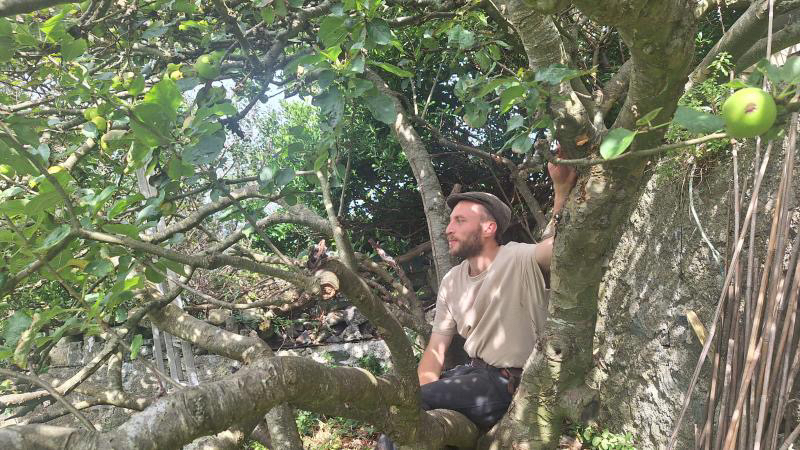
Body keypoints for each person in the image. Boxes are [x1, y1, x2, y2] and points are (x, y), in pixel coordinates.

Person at [377, 160, 577, 449]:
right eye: (449, 221)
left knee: (407, 408)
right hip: (468, 377)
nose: (448, 229)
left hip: (507, 384)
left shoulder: (520, 257)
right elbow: (435, 351)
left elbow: (563, 247)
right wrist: (420, 395)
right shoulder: (451, 280)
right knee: (405, 410)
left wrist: (560, 191)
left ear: (488, 227)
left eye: (460, 221)